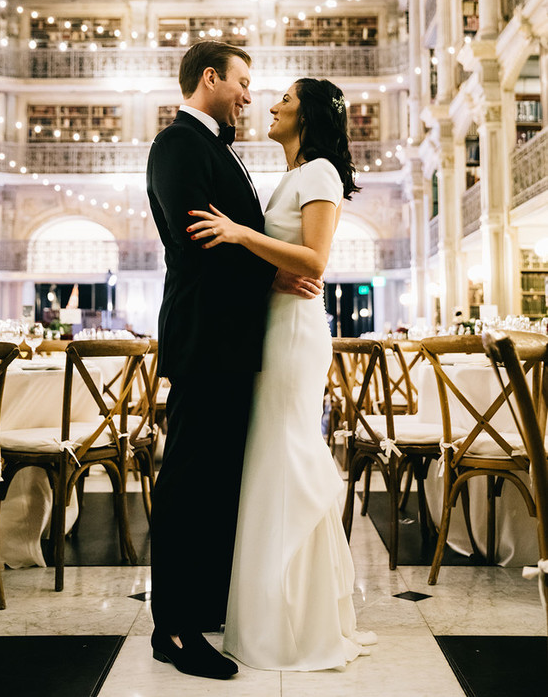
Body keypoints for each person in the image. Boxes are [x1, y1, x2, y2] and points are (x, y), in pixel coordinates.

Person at [188, 78, 377, 670]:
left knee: (286, 454)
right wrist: (261, 265)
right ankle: (283, 611)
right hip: (273, 320)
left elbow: (316, 261)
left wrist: (241, 234)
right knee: (269, 458)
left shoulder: (319, 171)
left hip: (295, 330)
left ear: (309, 115)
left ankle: (297, 625)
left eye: (286, 101)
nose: (270, 105)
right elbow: (281, 260)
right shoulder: (292, 176)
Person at [146, 41, 321, 681]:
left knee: (217, 481)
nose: (251, 94)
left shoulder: (215, 147)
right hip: (205, 339)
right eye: (244, 82)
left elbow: (233, 240)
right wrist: (271, 281)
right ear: (211, 79)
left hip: (228, 341)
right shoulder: (177, 146)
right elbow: (200, 244)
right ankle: (174, 629)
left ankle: (200, 608)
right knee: (191, 482)